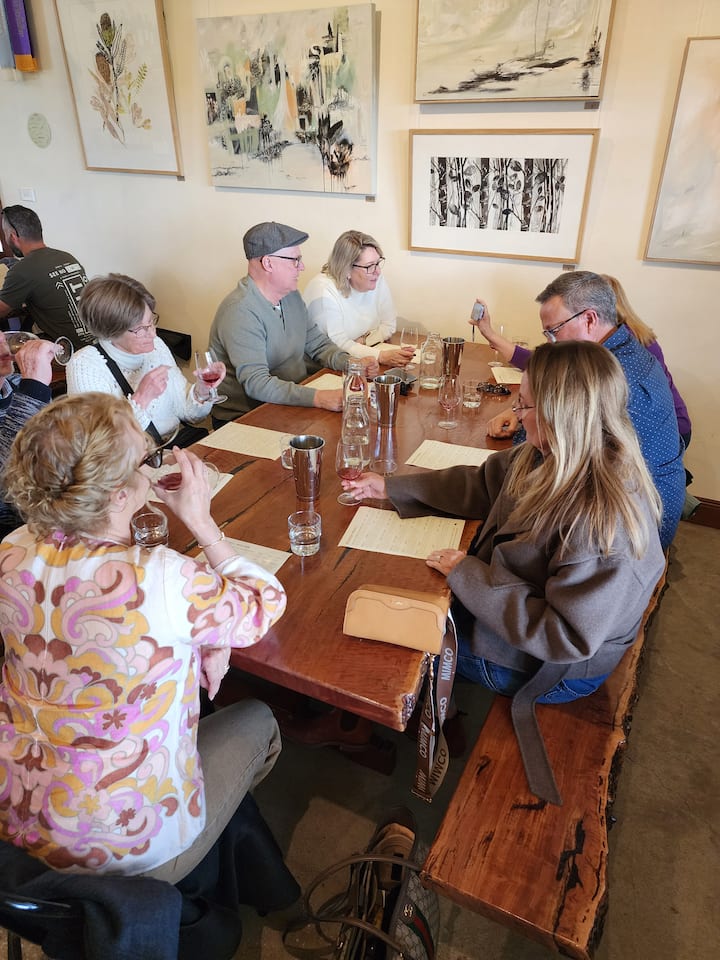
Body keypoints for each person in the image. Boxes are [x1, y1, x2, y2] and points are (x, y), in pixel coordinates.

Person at [0, 393, 298, 922]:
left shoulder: (10, 550)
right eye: (145, 461)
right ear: (118, 495)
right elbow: (262, 605)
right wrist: (203, 523)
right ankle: (198, 872)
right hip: (129, 848)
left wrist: (204, 639)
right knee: (259, 719)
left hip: (22, 819)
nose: (152, 468)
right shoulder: (160, 576)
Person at [342, 342, 666, 803]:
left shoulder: (599, 518)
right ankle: (434, 706)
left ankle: (386, 722)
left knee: (395, 629)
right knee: (404, 600)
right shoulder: (554, 452)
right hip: (533, 625)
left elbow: (565, 637)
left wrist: (468, 574)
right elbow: (481, 484)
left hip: (554, 667)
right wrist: (390, 488)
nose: (517, 413)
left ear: (560, 414)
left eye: (524, 405)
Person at [471, 271, 685, 549]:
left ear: (590, 319)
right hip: (626, 503)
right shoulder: (617, 347)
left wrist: (527, 414)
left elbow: (548, 452)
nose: (551, 341)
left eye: (554, 330)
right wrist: (523, 408)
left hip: (629, 530)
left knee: (487, 517)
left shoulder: (613, 375)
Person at [209, 221, 378, 423]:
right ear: (268, 263)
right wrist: (318, 398)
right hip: (246, 417)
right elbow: (257, 383)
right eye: (295, 260)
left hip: (290, 401)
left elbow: (318, 345)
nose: (302, 267)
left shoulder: (291, 296)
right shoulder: (240, 311)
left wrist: (353, 364)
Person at [67, 273, 223, 446]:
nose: (153, 334)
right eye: (140, 329)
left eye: (151, 321)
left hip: (176, 446)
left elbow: (189, 414)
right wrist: (141, 399)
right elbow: (102, 447)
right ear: (111, 332)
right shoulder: (85, 365)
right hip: (138, 458)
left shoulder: (157, 346)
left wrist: (202, 390)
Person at [304, 230, 415, 367]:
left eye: (378, 263)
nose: (377, 271)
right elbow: (336, 346)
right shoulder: (323, 289)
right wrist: (380, 356)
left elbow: (389, 325)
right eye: (369, 266)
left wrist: (364, 341)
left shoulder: (375, 278)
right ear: (347, 269)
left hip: (360, 360)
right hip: (325, 368)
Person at [0, 205, 92, 348]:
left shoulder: (22, 270)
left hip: (71, 350)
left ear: (13, 236)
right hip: (98, 340)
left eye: (5, 235)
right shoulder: (67, 257)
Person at [0, 331, 56, 538]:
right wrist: (34, 389)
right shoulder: (28, 387)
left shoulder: (17, 383)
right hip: (14, 535)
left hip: (52, 512)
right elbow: (6, 479)